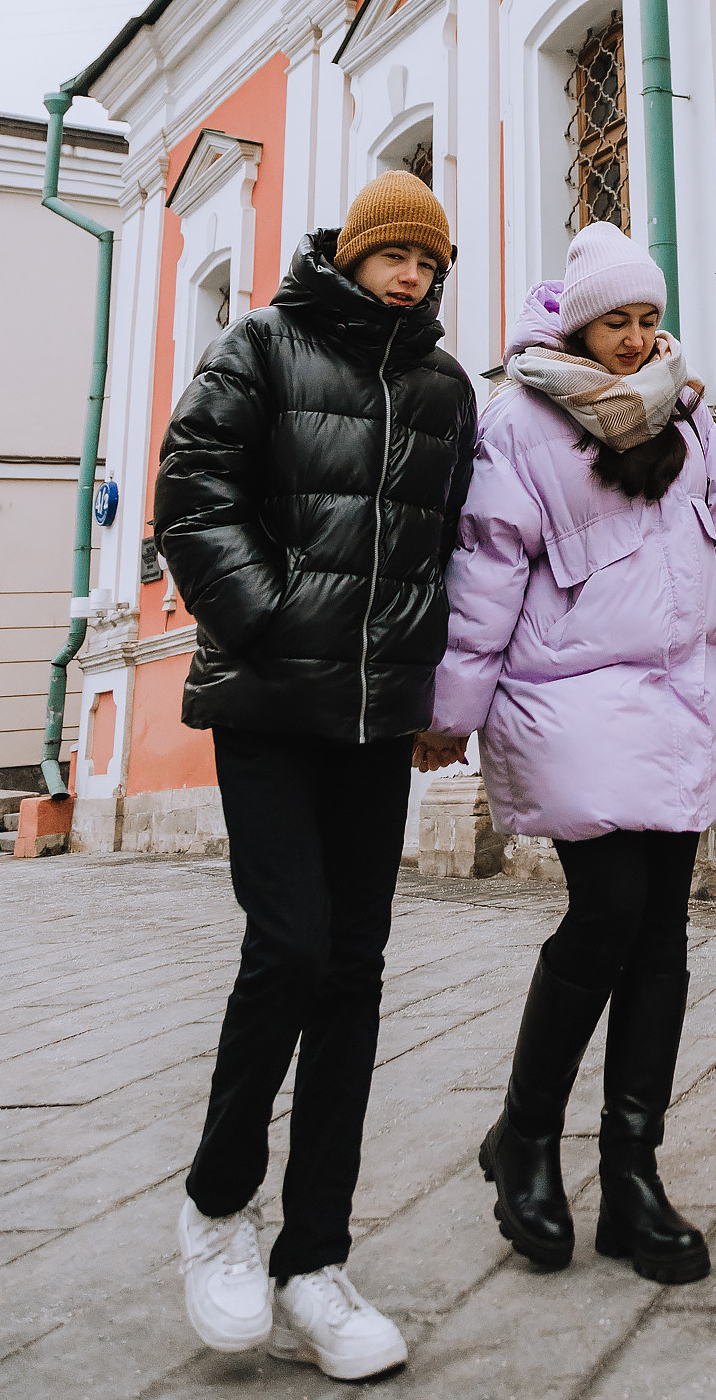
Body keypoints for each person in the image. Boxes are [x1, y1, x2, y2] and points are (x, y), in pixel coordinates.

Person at [154, 170, 478, 1379]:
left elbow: (458, 551)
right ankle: (216, 1209)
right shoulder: (262, 346)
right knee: (287, 946)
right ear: (353, 252)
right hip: (270, 708)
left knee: (352, 971)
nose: (415, 277)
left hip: (375, 724)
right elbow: (193, 492)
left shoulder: (444, 387)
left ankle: (314, 1260)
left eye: (432, 266)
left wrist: (441, 696)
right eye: (398, 257)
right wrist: (273, 614)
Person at [420, 221, 716, 1286]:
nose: (635, 336)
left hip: (677, 698)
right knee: (609, 915)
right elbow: (483, 577)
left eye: (648, 316)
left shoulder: (692, 419)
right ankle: (525, 1136)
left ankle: (631, 1178)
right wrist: (450, 709)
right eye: (617, 318)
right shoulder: (519, 423)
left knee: (660, 937)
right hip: (566, 697)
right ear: (577, 323)